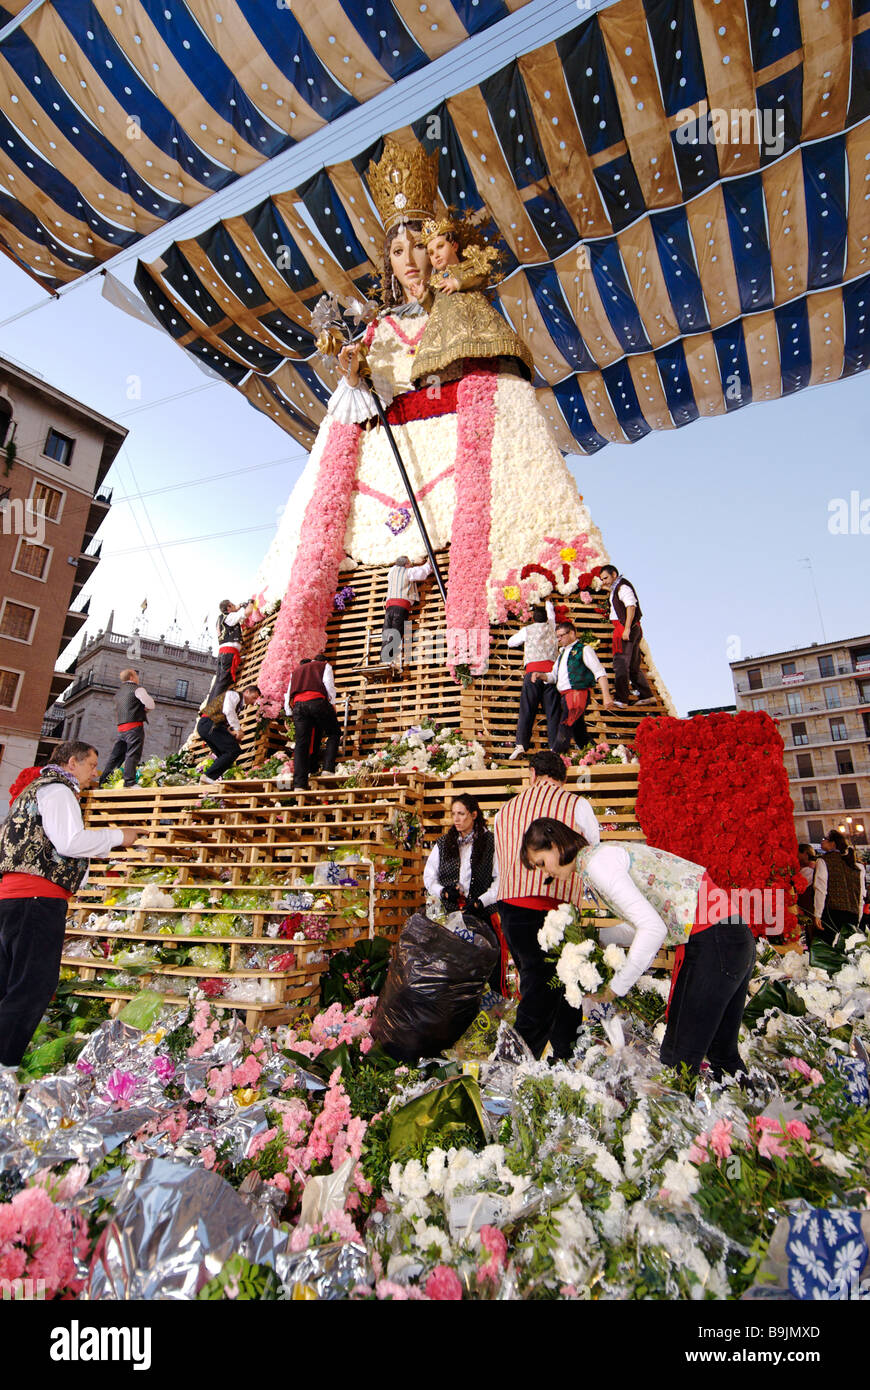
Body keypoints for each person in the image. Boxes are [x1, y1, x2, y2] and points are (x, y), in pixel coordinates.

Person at [254, 137, 608, 703]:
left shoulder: (466, 307)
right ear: (388, 263)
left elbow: (495, 381)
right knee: (377, 597)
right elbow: (359, 405)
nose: (411, 261)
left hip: (461, 460)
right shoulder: (375, 328)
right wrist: (352, 377)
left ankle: (467, 690)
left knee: (441, 579)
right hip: (379, 472)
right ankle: (355, 681)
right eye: (398, 252)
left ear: (438, 251)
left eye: (419, 247)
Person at [521, 817, 757, 1080]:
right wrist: (587, 941)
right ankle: (755, 1116)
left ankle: (679, 1118)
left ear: (555, 845)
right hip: (731, 935)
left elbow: (653, 929)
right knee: (721, 1054)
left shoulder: (598, 864)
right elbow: (644, 924)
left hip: (714, 939)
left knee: (678, 1061)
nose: (545, 873)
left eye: (541, 863)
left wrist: (616, 987)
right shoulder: (597, 861)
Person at [0, 741, 144, 1066]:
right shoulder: (59, 790)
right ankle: (4, 1064)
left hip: (14, 898)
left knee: (9, 982)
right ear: (71, 763)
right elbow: (70, 841)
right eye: (91, 766)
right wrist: (119, 836)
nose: (96, 773)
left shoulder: (35, 790)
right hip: (36, 900)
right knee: (33, 984)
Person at [493, 750, 600, 1059]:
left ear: (532, 773)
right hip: (556, 909)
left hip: (511, 907)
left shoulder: (505, 811)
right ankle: (518, 1063)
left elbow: (499, 865)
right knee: (560, 985)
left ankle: (559, 1057)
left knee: (540, 983)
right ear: (562, 777)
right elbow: (592, 852)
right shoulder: (576, 804)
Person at [409, 214, 534, 384]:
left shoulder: (467, 266)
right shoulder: (434, 283)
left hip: (472, 323)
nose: (436, 255)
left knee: (480, 359)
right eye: (431, 253)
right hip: (446, 335)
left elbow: (479, 276)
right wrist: (423, 296)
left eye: (440, 247)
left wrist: (457, 282)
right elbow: (434, 309)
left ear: (454, 245)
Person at [424, 793, 504, 994]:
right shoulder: (444, 843)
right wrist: (443, 892)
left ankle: (493, 1012)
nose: (457, 819)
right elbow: (429, 877)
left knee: (489, 969)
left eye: (461, 814)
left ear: (474, 814)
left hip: (483, 915)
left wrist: (481, 901)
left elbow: (499, 880)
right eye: (454, 814)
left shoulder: (491, 842)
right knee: (454, 970)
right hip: (451, 919)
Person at [546, 619, 614, 753]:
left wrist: (606, 696)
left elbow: (599, 672)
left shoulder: (584, 649)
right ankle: (600, 755)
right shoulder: (562, 655)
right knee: (580, 734)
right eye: (557, 637)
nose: (558, 639)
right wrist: (540, 675)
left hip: (577, 694)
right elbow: (553, 676)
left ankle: (556, 758)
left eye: (561, 636)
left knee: (565, 726)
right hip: (565, 696)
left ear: (571, 633)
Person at [507, 601, 560, 759]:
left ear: (533, 619)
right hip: (550, 675)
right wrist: (547, 602)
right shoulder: (553, 627)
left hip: (532, 674)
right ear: (546, 618)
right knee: (553, 712)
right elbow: (551, 613)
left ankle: (521, 745)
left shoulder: (527, 630)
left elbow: (511, 642)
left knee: (527, 710)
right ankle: (554, 747)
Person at [599, 565, 655, 707]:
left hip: (626, 629)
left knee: (621, 664)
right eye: (602, 579)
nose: (604, 581)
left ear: (614, 574)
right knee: (633, 665)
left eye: (605, 578)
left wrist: (627, 629)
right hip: (631, 628)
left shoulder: (623, 587)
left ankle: (622, 699)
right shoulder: (617, 587)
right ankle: (647, 695)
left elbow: (631, 606)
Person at [285, 655, 341, 790]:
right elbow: (329, 684)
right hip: (317, 701)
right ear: (325, 661)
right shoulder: (324, 666)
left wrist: (289, 712)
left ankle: (299, 784)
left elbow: (288, 693)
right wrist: (332, 703)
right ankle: (328, 768)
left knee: (301, 743)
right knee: (333, 732)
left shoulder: (297, 671)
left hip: (298, 705)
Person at [98, 668, 155, 788]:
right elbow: (150, 704)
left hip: (121, 728)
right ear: (132, 677)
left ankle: (103, 781)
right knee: (132, 754)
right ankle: (129, 782)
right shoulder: (138, 689)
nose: (138, 678)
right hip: (134, 727)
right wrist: (145, 710)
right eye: (136, 675)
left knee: (116, 756)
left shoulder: (119, 692)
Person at [196, 684, 261, 784]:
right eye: (254, 698)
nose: (253, 702)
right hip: (209, 724)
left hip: (207, 726)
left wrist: (230, 732)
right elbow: (228, 711)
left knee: (224, 755)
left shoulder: (238, 703)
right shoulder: (234, 695)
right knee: (233, 750)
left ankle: (208, 779)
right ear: (247, 692)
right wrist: (238, 730)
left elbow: (223, 717)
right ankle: (208, 776)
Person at [814, 829, 865, 943]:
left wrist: (817, 914)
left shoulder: (823, 861)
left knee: (829, 949)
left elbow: (821, 890)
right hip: (853, 914)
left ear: (832, 843)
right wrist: (858, 917)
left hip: (832, 913)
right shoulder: (857, 866)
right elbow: (861, 894)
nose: (822, 842)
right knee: (848, 951)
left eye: (824, 839)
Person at [381, 555, 432, 667]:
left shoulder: (392, 571)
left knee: (387, 631)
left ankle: (385, 659)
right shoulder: (408, 572)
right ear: (406, 565)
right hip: (401, 606)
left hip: (389, 607)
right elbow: (423, 572)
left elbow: (399, 569)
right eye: (409, 563)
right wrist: (429, 563)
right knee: (396, 631)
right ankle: (390, 660)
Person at [206, 599, 253, 702]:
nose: (235, 606)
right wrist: (251, 603)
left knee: (218, 682)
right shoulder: (229, 616)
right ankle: (212, 710)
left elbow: (236, 609)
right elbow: (248, 612)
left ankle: (208, 709)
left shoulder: (221, 618)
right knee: (223, 683)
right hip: (229, 654)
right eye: (232, 605)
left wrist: (240, 605)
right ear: (228, 608)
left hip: (223, 653)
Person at [795, 843, 817, 948]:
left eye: (797, 853)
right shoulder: (810, 868)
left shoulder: (807, 871)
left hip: (809, 908)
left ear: (805, 853)